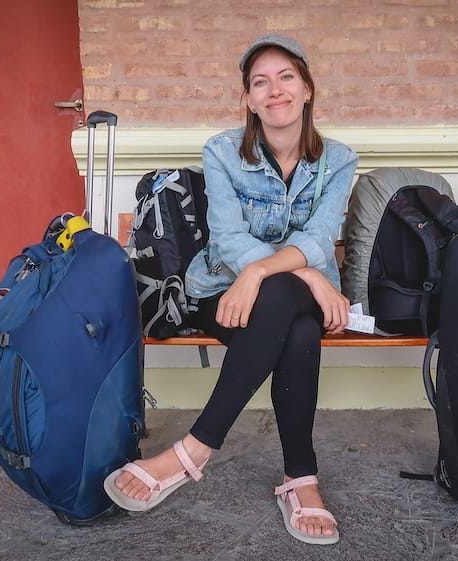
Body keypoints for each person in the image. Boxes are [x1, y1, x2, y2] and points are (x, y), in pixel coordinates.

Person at [104, 33, 359, 546]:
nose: (274, 90)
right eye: (260, 82)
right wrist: (304, 273)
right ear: (248, 99)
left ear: (307, 89)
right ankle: (300, 480)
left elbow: (317, 237)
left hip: (269, 290)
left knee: (288, 300)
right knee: (301, 331)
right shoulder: (222, 151)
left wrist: (269, 272)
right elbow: (227, 238)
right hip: (224, 293)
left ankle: (194, 450)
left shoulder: (339, 160)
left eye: (286, 77)